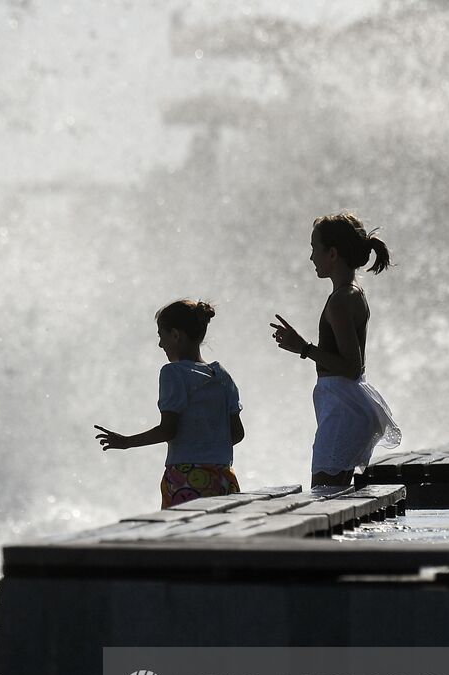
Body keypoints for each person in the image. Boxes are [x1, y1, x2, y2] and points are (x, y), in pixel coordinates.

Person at [271, 213, 401, 489]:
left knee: (324, 495)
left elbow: (352, 366)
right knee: (336, 494)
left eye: (314, 249)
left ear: (332, 253)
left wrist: (303, 348)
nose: (311, 258)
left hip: (343, 404)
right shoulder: (353, 293)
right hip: (348, 402)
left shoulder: (341, 300)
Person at [95, 299, 245, 508]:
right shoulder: (222, 375)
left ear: (176, 335)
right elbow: (237, 434)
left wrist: (126, 442)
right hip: (223, 477)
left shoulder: (173, 373)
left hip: (186, 479)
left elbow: (168, 431)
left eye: (161, 336)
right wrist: (209, 446)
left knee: (182, 536)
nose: (160, 344)